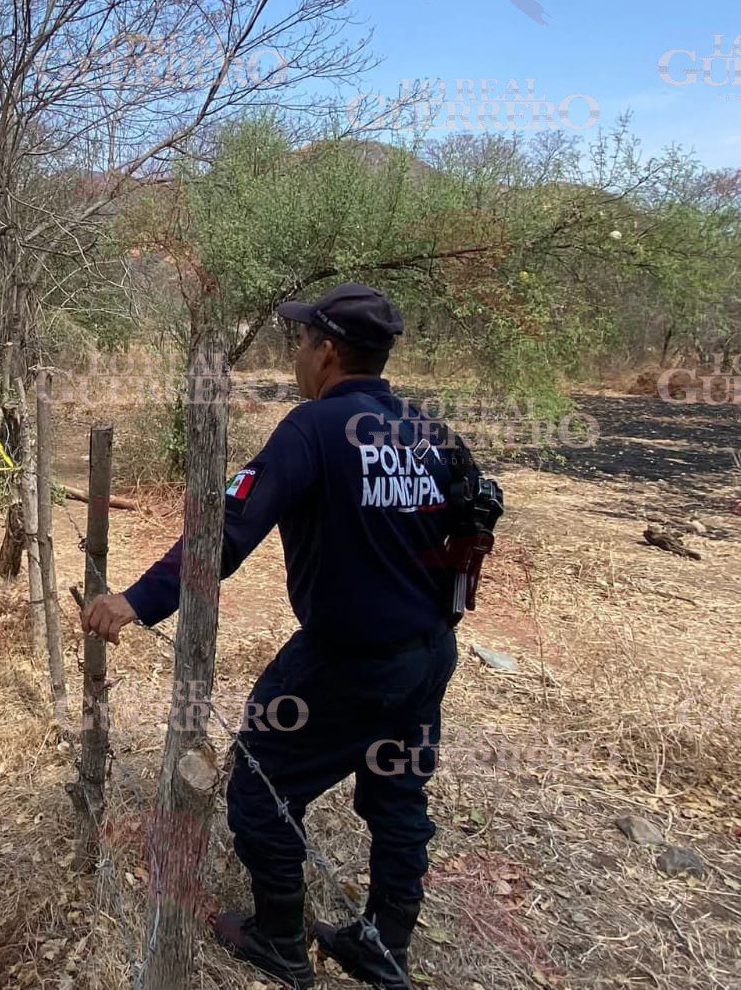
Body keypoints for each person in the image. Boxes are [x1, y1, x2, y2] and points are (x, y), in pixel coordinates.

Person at [82, 283, 483, 990]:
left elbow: (224, 534)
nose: (297, 355)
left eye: (301, 342)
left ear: (327, 352)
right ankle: (385, 947)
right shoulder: (429, 431)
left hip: (344, 662)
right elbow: (472, 518)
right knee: (397, 798)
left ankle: (278, 939)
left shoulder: (312, 429)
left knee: (260, 789)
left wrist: (136, 602)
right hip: (427, 656)